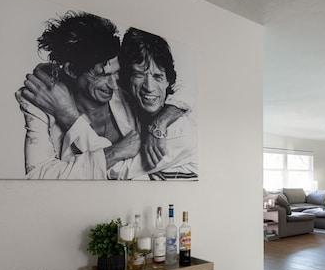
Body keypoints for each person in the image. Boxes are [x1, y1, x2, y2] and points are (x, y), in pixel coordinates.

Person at [16, 11, 184, 179]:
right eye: (102, 75)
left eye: (116, 72)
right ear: (72, 70)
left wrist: (161, 122)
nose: (113, 84)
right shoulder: (41, 99)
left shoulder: (122, 84)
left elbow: (179, 88)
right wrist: (112, 153)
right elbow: (37, 176)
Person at [108, 27, 197, 180]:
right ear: (127, 77)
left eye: (157, 77)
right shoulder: (125, 100)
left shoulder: (180, 131)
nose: (149, 87)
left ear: (168, 81)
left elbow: (117, 172)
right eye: (139, 75)